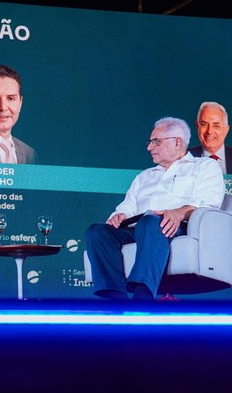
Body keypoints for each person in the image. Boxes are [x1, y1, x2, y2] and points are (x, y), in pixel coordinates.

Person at [85, 117, 224, 301]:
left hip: (178, 227)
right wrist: (120, 215)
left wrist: (178, 212)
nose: (149, 147)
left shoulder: (204, 167)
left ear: (177, 142)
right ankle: (116, 299)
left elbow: (209, 203)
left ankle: (142, 298)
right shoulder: (144, 176)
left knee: (150, 222)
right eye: (150, 142)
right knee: (97, 232)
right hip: (138, 228)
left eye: (156, 141)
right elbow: (127, 206)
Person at [189, 101, 231, 174]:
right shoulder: (184, 158)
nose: (209, 131)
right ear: (197, 126)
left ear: (226, 130)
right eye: (204, 124)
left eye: (216, 126)